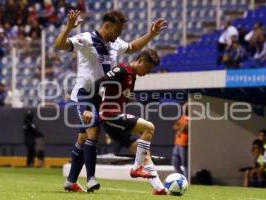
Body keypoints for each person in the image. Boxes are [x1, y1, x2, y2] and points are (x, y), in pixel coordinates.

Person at [54, 10, 167, 192]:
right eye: (117, 31)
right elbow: (60, 45)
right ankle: (91, 179)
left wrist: (151, 34)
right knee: (92, 130)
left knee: (84, 137)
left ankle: (71, 181)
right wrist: (68, 27)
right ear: (107, 26)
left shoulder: (115, 43)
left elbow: (132, 47)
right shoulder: (86, 39)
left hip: (100, 97)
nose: (119, 35)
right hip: (84, 94)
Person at [90, 49, 166, 195]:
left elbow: (121, 95)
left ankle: (159, 188)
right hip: (109, 116)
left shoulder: (132, 76)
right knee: (149, 128)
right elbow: (97, 84)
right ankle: (136, 168)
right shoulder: (123, 70)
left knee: (143, 152)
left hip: (114, 118)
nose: (149, 72)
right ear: (141, 60)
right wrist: (91, 108)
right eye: (149, 68)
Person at [171, 108, 188, 178]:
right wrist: (181, 128)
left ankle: (187, 180)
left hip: (185, 145)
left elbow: (185, 128)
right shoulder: (183, 117)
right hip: (177, 144)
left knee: (185, 164)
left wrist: (180, 129)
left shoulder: (192, 119)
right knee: (175, 163)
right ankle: (181, 178)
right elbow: (175, 126)